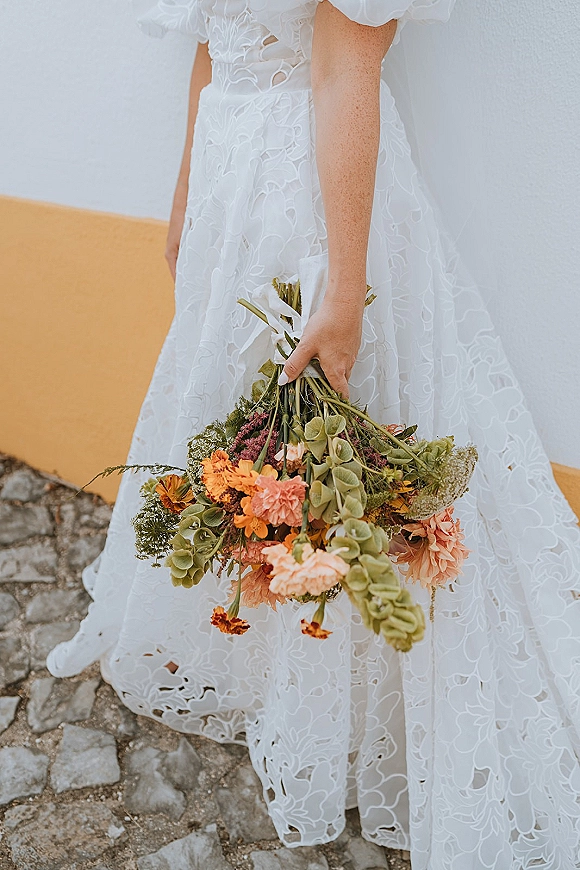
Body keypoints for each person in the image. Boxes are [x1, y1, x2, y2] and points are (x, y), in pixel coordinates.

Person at [47, 2, 580, 867]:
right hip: (232, 171)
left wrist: (344, 286)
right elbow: (215, 41)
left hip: (309, 185)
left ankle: (346, 700)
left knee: (326, 438)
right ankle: (268, 665)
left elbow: (343, 71)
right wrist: (186, 186)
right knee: (245, 431)